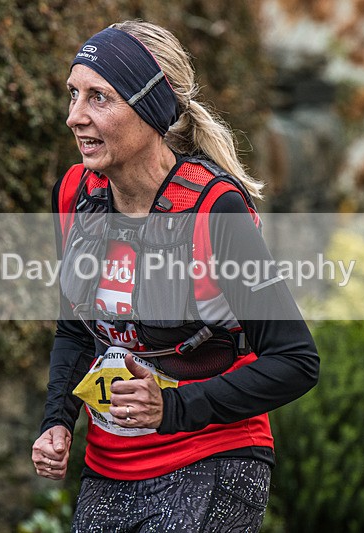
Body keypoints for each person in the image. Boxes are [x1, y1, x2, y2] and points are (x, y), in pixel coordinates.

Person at [32, 20, 319, 532]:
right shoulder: (75, 195)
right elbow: (75, 328)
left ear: (151, 108)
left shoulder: (214, 211)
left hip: (213, 458)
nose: (75, 116)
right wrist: (57, 420)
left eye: (99, 98)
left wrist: (172, 407)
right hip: (109, 468)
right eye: (73, 94)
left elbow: (295, 361)